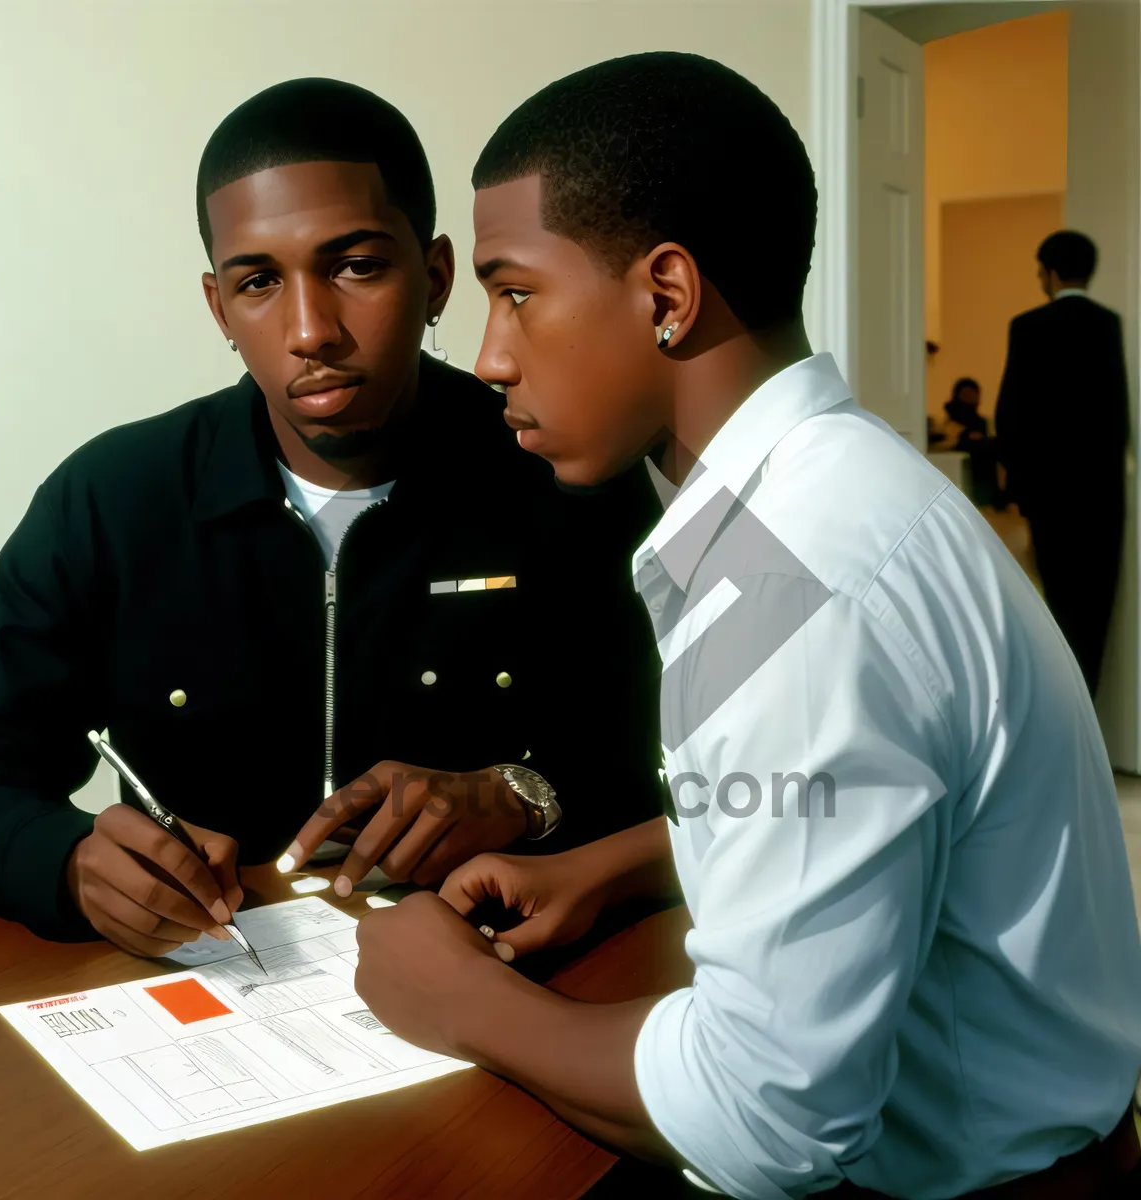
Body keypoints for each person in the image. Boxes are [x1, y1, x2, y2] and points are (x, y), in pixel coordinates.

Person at [337, 53, 1141, 1199]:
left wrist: (463, 1002)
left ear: (665, 295)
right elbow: (885, 810)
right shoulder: (840, 493)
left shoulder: (791, 587)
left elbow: (767, 1117)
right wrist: (608, 872)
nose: (489, 356)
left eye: (515, 292)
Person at [0, 78, 667, 959]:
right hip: (206, 1009)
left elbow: (686, 776)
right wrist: (63, 861)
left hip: (495, 980)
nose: (310, 329)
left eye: (356, 266)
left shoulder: (566, 474)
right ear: (219, 308)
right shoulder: (113, 497)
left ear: (435, 277)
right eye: (257, 282)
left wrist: (520, 795)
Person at [996, 230, 1130, 696]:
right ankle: (1087, 713)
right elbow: (1118, 416)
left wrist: (1016, 493)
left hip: (1050, 497)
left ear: (1050, 272)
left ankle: (1060, 722)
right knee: (1095, 614)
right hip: (1103, 496)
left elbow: (1010, 414)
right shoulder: (1107, 324)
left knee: (1055, 612)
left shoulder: (1028, 326)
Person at [939, 377, 1003, 508]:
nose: (970, 398)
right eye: (966, 394)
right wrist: (965, 436)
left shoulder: (984, 422)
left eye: (973, 394)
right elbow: (946, 442)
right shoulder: (947, 423)